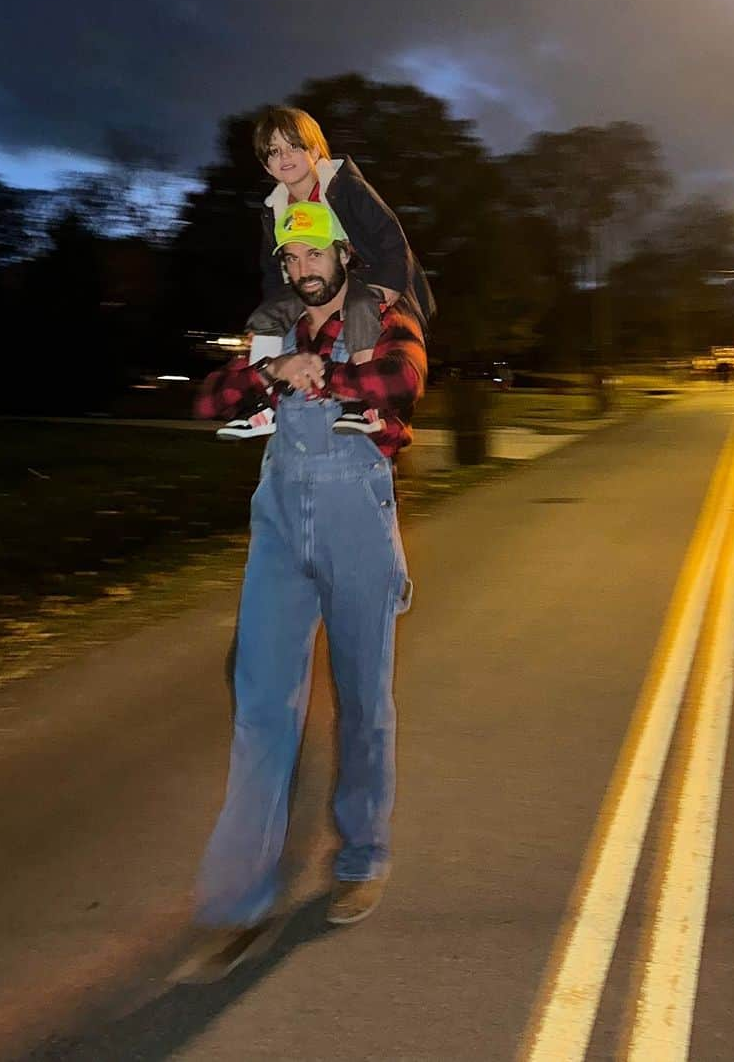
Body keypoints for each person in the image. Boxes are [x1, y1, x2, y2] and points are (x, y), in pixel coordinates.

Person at [177, 201, 426, 983]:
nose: (303, 265)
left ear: (345, 253)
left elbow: (405, 379)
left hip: (358, 515)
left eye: (316, 251)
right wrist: (270, 370)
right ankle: (240, 900)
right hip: (281, 527)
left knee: (362, 696)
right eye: (292, 257)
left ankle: (362, 854)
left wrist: (328, 374)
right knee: (261, 708)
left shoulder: (386, 313)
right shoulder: (270, 329)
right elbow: (209, 401)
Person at [216, 104, 435, 441]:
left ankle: (362, 402)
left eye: (294, 146)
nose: (285, 157)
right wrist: (278, 309)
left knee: (361, 308)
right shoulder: (275, 207)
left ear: (315, 150)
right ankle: (261, 404)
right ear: (265, 164)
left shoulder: (343, 185)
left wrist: (389, 287)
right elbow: (272, 268)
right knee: (265, 317)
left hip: (366, 274)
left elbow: (390, 236)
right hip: (313, 283)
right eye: (274, 152)